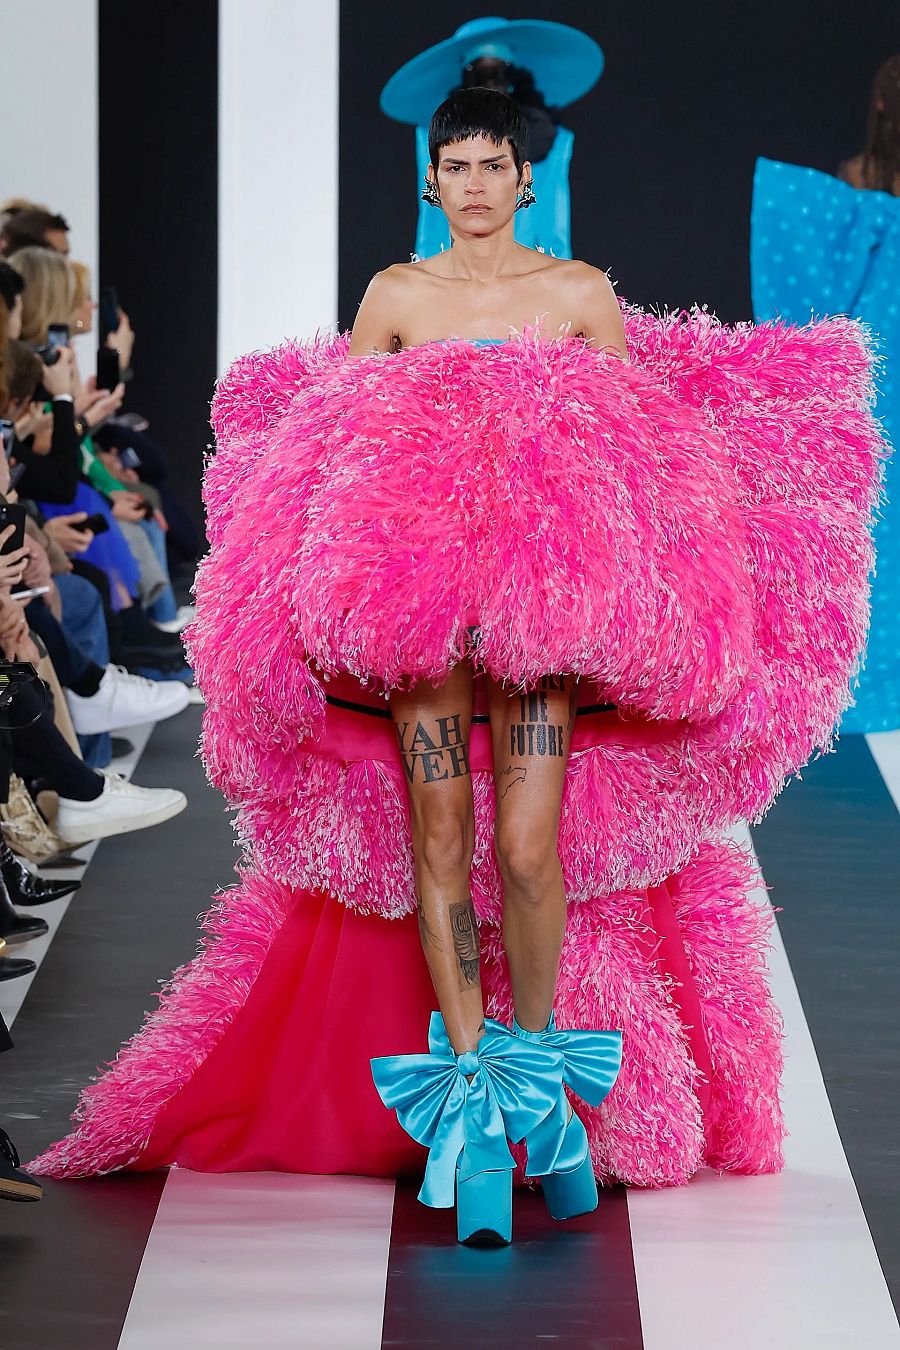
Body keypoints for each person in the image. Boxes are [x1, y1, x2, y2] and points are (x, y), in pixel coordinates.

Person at [30, 91, 885, 1255]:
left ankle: (533, 1077)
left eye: (493, 165)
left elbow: (639, 463)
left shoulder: (577, 295)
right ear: (430, 181)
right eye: (456, 166)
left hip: (540, 620)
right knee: (440, 844)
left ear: (525, 180)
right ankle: (475, 1101)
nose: (475, 185)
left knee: (528, 850)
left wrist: (646, 609)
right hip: (418, 621)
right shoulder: (395, 297)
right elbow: (335, 453)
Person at [750, 52, 900, 732]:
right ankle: (862, 681)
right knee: (874, 514)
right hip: (880, 366)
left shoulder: (859, 180)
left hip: (879, 363)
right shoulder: (858, 178)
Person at [380, 17, 603, 259]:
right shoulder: (432, 137)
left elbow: (554, 212)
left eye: (497, 72)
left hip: (530, 265)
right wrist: (430, 267)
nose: (490, 83)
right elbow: (432, 217)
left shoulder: (551, 138)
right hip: (456, 265)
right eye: (479, 72)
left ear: (512, 78)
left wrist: (557, 271)